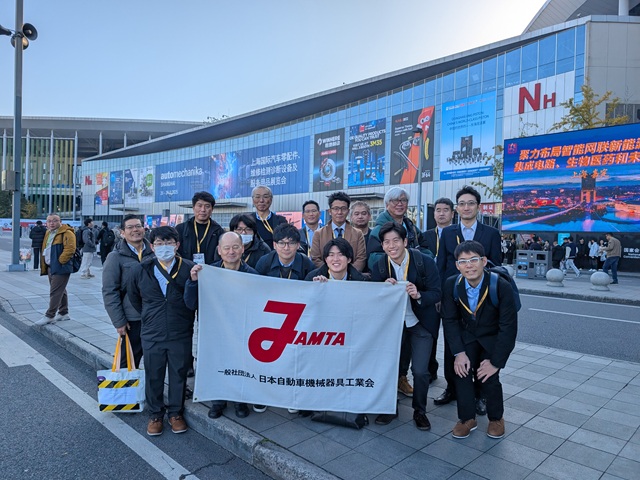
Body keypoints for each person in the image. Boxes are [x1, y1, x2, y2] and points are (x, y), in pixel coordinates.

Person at [441, 240, 518, 440]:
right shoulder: (452, 284)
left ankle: (496, 418)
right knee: (461, 372)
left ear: (484, 261)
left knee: (488, 376)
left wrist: (496, 362)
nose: (469, 265)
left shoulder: (500, 286)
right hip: (467, 336)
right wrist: (458, 353)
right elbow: (449, 320)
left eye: (474, 260)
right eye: (463, 261)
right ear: (457, 265)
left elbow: (508, 328)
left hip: (492, 337)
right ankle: (467, 418)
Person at [435, 185, 501, 413]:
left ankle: (481, 394)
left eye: (470, 203)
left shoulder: (491, 234)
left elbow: (496, 267)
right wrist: (441, 295)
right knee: (452, 343)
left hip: (482, 299)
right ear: (457, 208)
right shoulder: (448, 233)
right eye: (462, 204)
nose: (466, 207)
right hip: (453, 298)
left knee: (482, 344)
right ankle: (452, 388)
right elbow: (441, 265)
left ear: (478, 207)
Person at [371, 222, 441, 431]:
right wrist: (383, 291)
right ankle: (389, 408)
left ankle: (420, 411)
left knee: (420, 371)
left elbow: (437, 293)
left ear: (405, 241)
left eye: (396, 241)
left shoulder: (424, 262)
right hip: (393, 326)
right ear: (382, 245)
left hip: (420, 323)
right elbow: (373, 299)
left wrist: (418, 295)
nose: (391, 246)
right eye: (387, 242)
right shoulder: (380, 266)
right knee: (390, 368)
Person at [128, 226, 196, 436]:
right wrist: (151, 315)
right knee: (154, 374)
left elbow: (195, 298)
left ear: (177, 245)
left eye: (169, 243)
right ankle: (155, 414)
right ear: (152, 246)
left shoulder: (189, 268)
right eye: (159, 243)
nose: (164, 247)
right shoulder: (141, 269)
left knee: (178, 374)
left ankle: (176, 413)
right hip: (152, 332)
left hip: (180, 331)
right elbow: (134, 298)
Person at [367, 186, 433, 398]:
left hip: (413, 298)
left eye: (403, 200)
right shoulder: (379, 229)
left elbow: (427, 251)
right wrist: (394, 258)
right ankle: (389, 382)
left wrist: (412, 255)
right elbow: (372, 258)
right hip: (392, 292)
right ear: (387, 205)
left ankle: (402, 378)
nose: (400, 204)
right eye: (395, 201)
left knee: (408, 342)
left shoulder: (411, 226)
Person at [185, 232, 259, 419]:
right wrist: (193, 282)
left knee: (241, 365)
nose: (231, 251)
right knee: (215, 364)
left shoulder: (253, 275)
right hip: (214, 331)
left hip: (242, 331)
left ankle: (240, 401)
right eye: (226, 248)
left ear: (242, 249)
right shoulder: (207, 273)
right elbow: (190, 303)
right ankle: (217, 401)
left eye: (235, 247)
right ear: (219, 250)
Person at [254, 223, 314, 414]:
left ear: (298, 245)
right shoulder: (264, 262)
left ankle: (291, 395)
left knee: (293, 357)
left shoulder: (306, 264)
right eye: (282, 243)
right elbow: (255, 290)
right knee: (266, 358)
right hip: (269, 316)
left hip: (296, 317)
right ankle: (262, 395)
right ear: (274, 245)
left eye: (291, 243)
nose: (286, 247)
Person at [102, 214, 155, 368]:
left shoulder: (154, 253)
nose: (135, 230)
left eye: (138, 226)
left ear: (144, 229)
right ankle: (126, 384)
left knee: (154, 360)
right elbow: (109, 291)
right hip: (132, 319)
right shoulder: (115, 257)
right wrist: (119, 321)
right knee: (128, 362)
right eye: (130, 227)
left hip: (154, 315)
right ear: (122, 232)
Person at [421, 197, 455, 382]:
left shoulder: (458, 234)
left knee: (452, 334)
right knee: (430, 333)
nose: (441, 213)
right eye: (438, 210)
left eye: (445, 210)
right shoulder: (425, 236)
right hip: (431, 291)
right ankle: (430, 370)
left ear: (452, 213)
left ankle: (453, 375)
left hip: (452, 291)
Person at [35, 214, 76, 326]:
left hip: (60, 266)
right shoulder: (48, 233)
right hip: (50, 266)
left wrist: (60, 261)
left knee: (55, 291)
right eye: (49, 221)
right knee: (60, 290)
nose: (51, 223)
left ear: (60, 221)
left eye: (54, 220)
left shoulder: (67, 233)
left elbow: (70, 249)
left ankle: (50, 315)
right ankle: (63, 313)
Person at [310, 192, 367, 271]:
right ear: (330, 211)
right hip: (325, 276)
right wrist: (332, 273)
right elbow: (315, 258)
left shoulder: (358, 234)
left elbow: (361, 258)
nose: (340, 212)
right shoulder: (318, 234)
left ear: (348, 211)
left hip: (351, 276)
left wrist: (346, 274)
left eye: (343, 208)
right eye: (336, 209)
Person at [175, 191, 225, 266]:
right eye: (199, 206)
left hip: (210, 270)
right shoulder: (181, 229)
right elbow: (176, 252)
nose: (203, 210)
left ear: (212, 209)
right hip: (186, 269)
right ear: (193, 207)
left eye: (207, 206)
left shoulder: (218, 231)